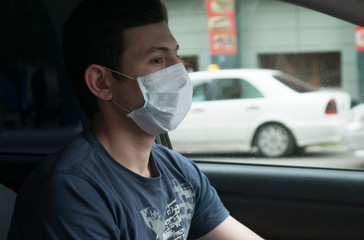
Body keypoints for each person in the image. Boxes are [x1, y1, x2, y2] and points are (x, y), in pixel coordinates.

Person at [8, 0, 263, 239]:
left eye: (177, 56)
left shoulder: (178, 169)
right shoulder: (71, 189)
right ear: (101, 83)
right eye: (157, 60)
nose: (180, 72)